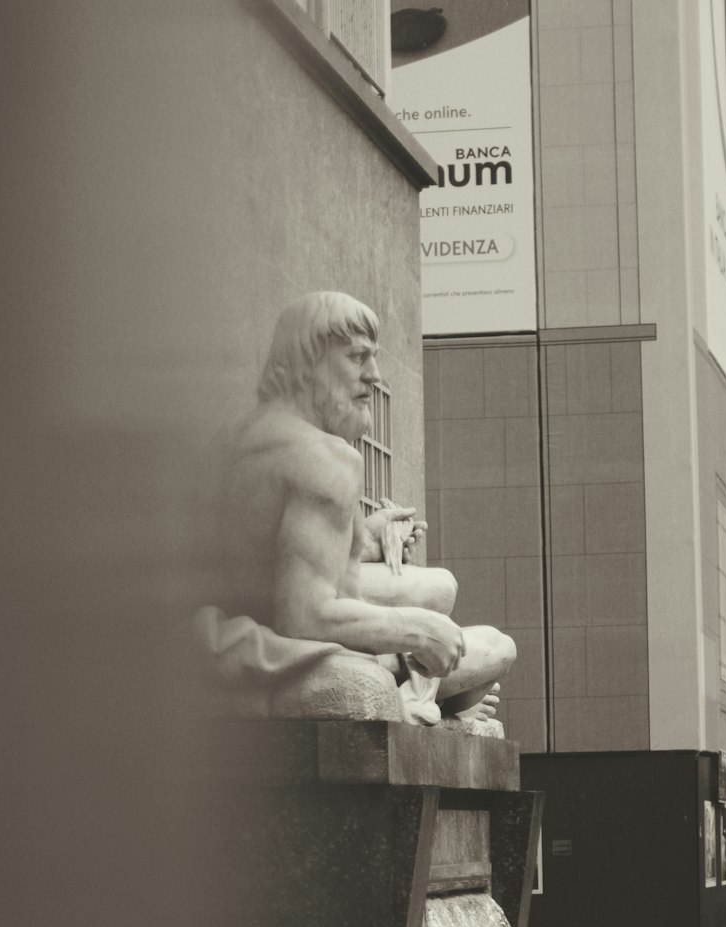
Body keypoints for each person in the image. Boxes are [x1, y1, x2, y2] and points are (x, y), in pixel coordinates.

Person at [198, 291, 515, 724]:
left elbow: (269, 555)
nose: (375, 375)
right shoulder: (324, 456)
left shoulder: (231, 440)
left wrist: (365, 538)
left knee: (439, 588)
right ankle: (414, 689)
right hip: (277, 646)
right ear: (309, 364)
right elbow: (304, 616)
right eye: (357, 357)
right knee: (495, 646)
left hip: (230, 628)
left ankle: (419, 686)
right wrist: (420, 632)